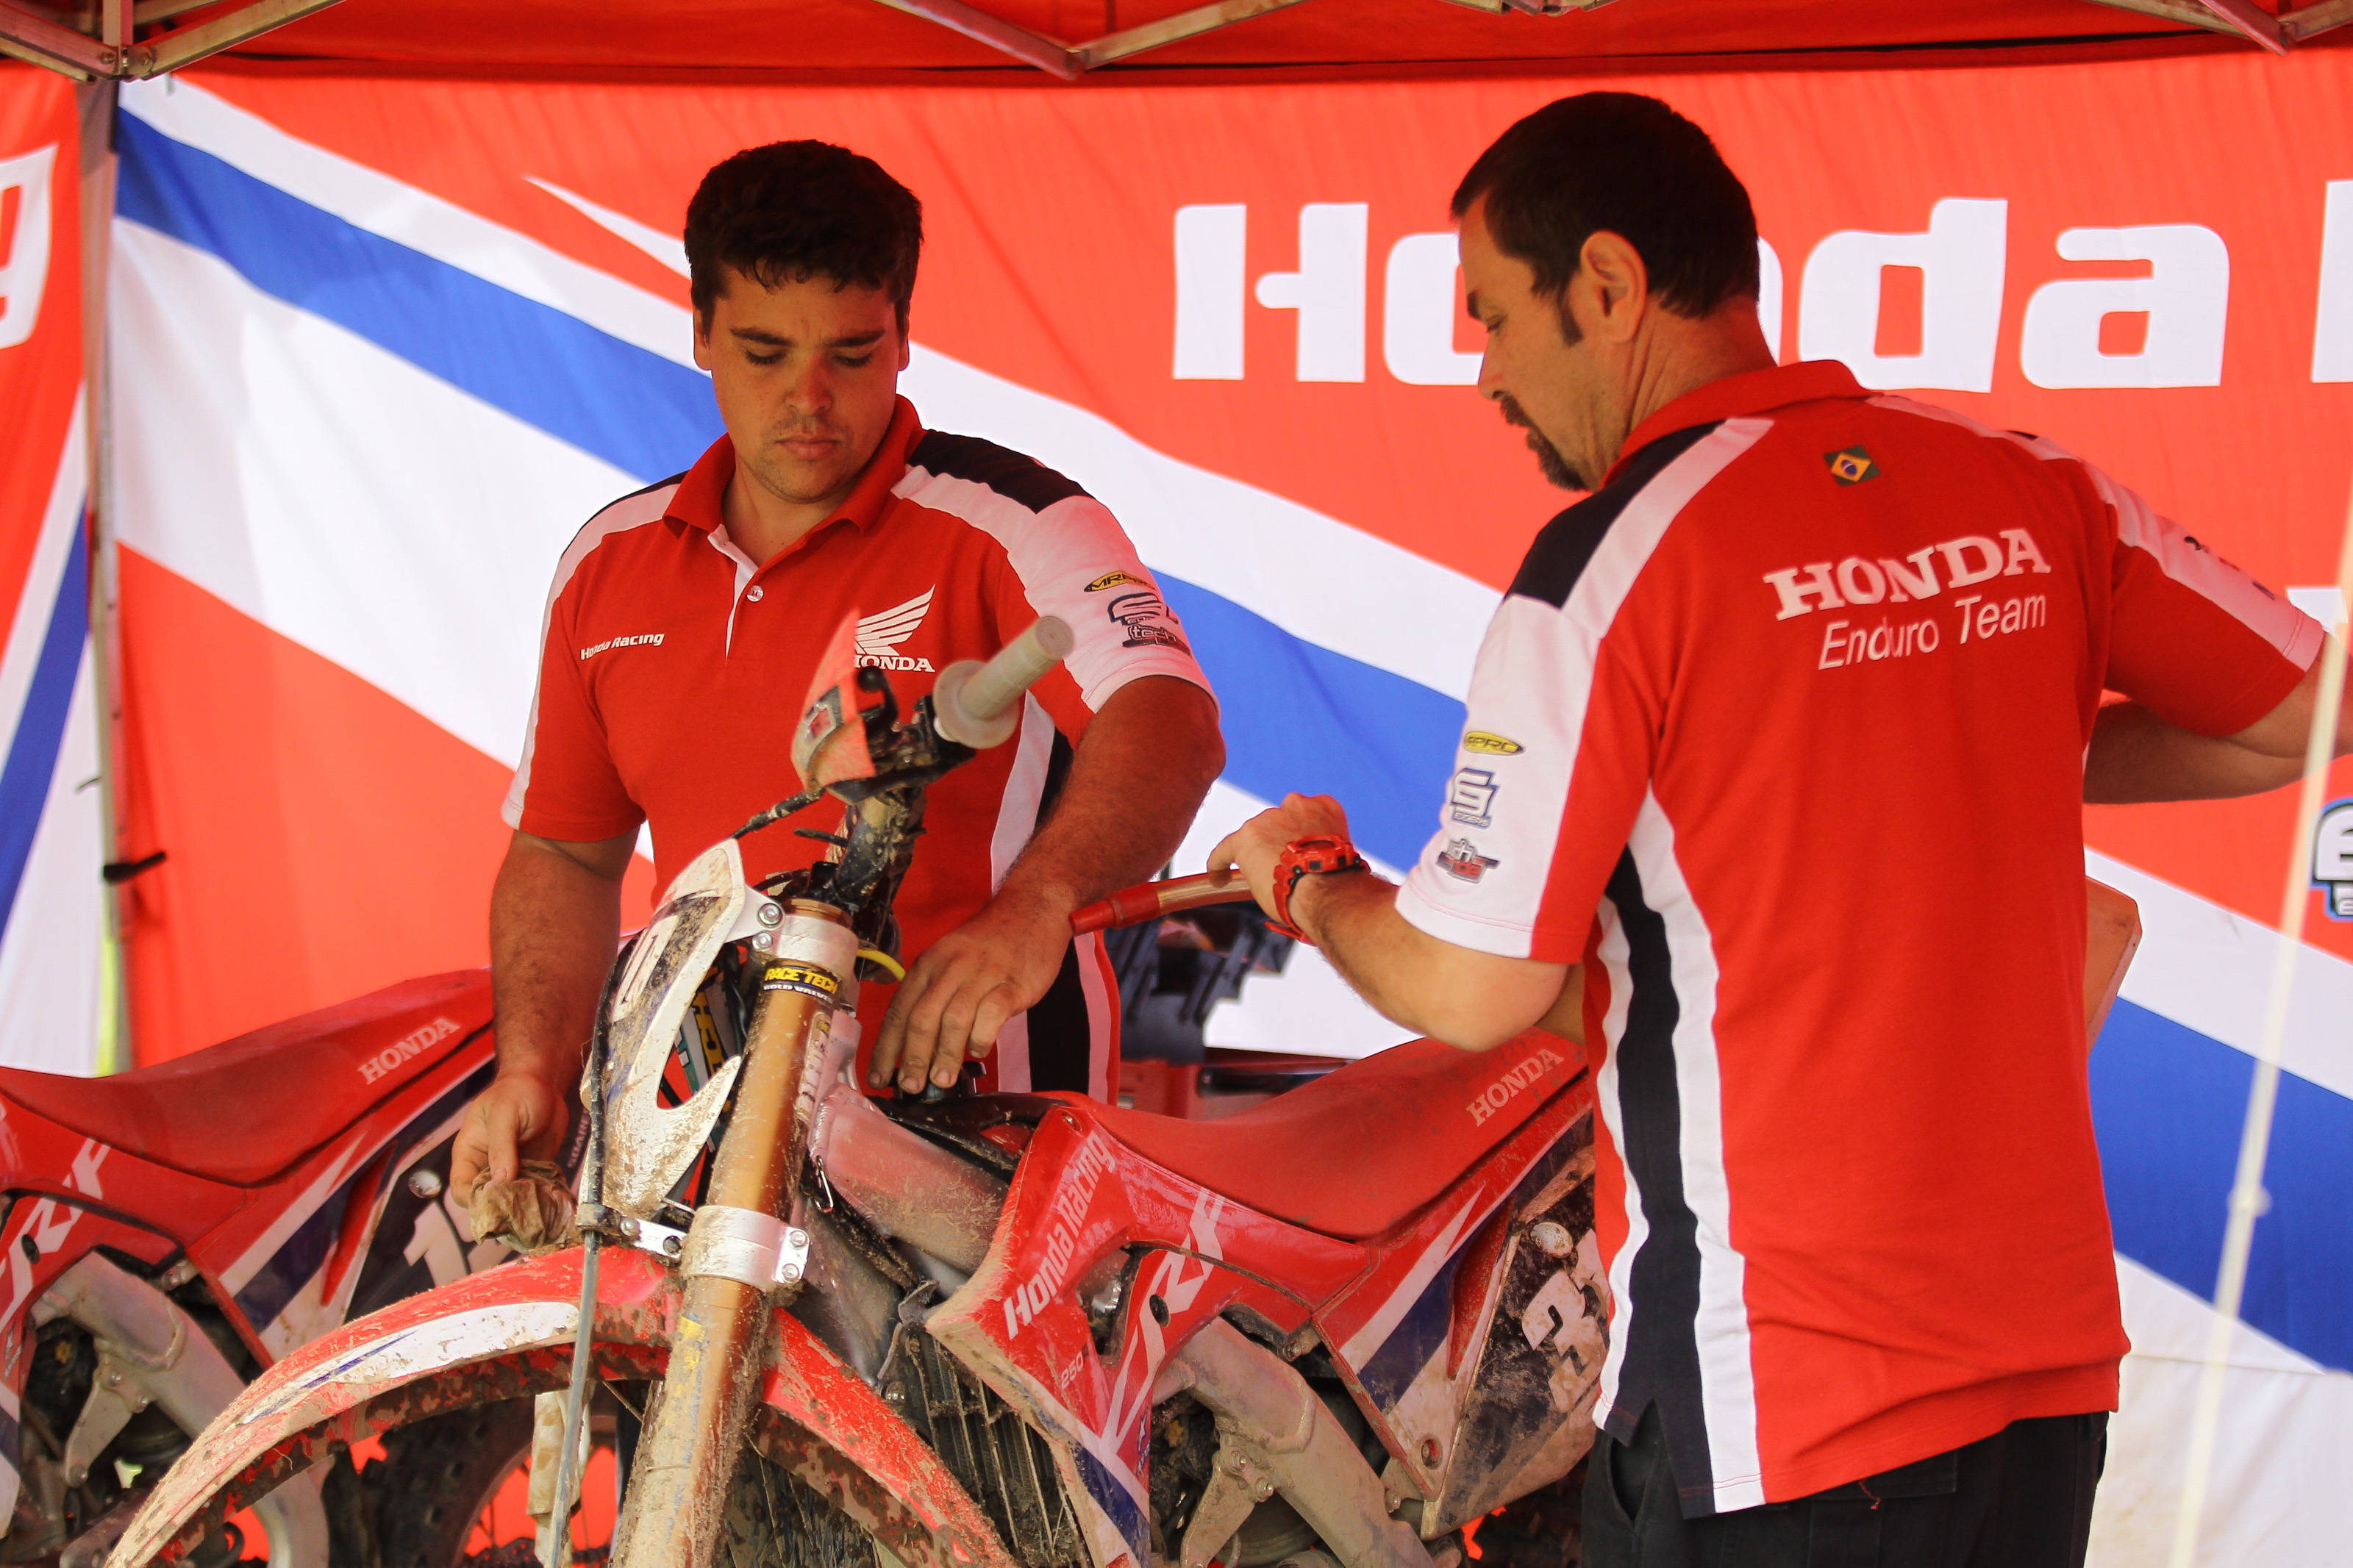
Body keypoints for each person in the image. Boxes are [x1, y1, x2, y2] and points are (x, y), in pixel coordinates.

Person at [1211, 93, 2351, 1567]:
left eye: (1492, 316)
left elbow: (1471, 981)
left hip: (1783, 1413)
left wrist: (1306, 879)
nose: (1485, 372)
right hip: (2043, 1386)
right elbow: (2304, 713)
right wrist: (1965, 736)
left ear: (1605, 284)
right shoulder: (2029, 482)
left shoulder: (1614, 561)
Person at [451, 140, 1223, 1198]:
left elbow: (1167, 717)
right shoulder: (609, 561)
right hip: (689, 1154)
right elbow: (564, 854)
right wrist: (534, 1068)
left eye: (851, 355)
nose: (808, 399)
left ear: (904, 337)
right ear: (700, 332)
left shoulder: (1017, 521)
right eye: (765, 353)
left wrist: (1036, 907)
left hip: (980, 1151)